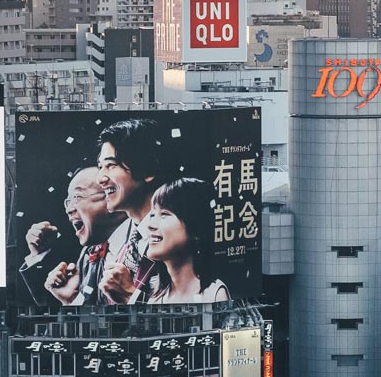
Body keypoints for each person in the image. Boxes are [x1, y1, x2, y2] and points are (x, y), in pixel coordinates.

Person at [19, 167, 125, 307]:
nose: (69, 210)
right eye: (68, 202)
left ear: (111, 196)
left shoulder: (149, 245)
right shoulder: (87, 255)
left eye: (77, 197)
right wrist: (72, 301)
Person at [94, 119, 166, 304]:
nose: (100, 178)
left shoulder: (179, 237)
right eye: (100, 166)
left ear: (147, 169)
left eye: (111, 165)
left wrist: (130, 296)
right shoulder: (122, 239)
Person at [142, 178, 230, 304]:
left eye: (164, 214)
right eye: (152, 215)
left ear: (196, 229)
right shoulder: (155, 300)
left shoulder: (214, 294)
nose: (150, 225)